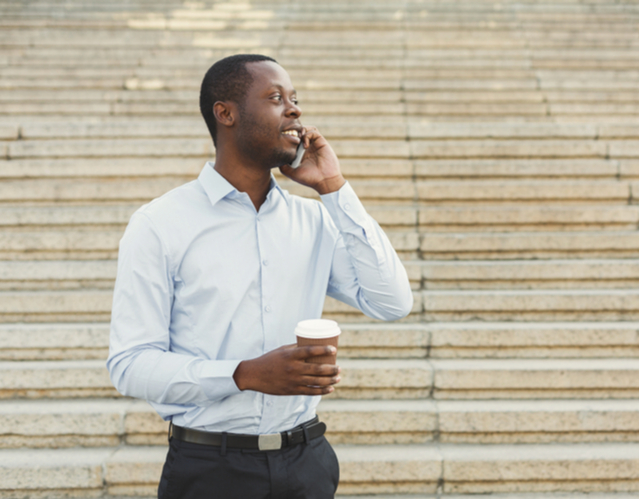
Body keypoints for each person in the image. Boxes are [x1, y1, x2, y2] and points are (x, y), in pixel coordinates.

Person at [106, 54, 413, 499]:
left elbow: (392, 302)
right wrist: (243, 374)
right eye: (276, 98)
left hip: (307, 464)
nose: (294, 110)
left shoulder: (314, 220)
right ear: (225, 113)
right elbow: (130, 365)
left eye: (295, 99)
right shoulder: (159, 224)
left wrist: (334, 188)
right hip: (209, 471)